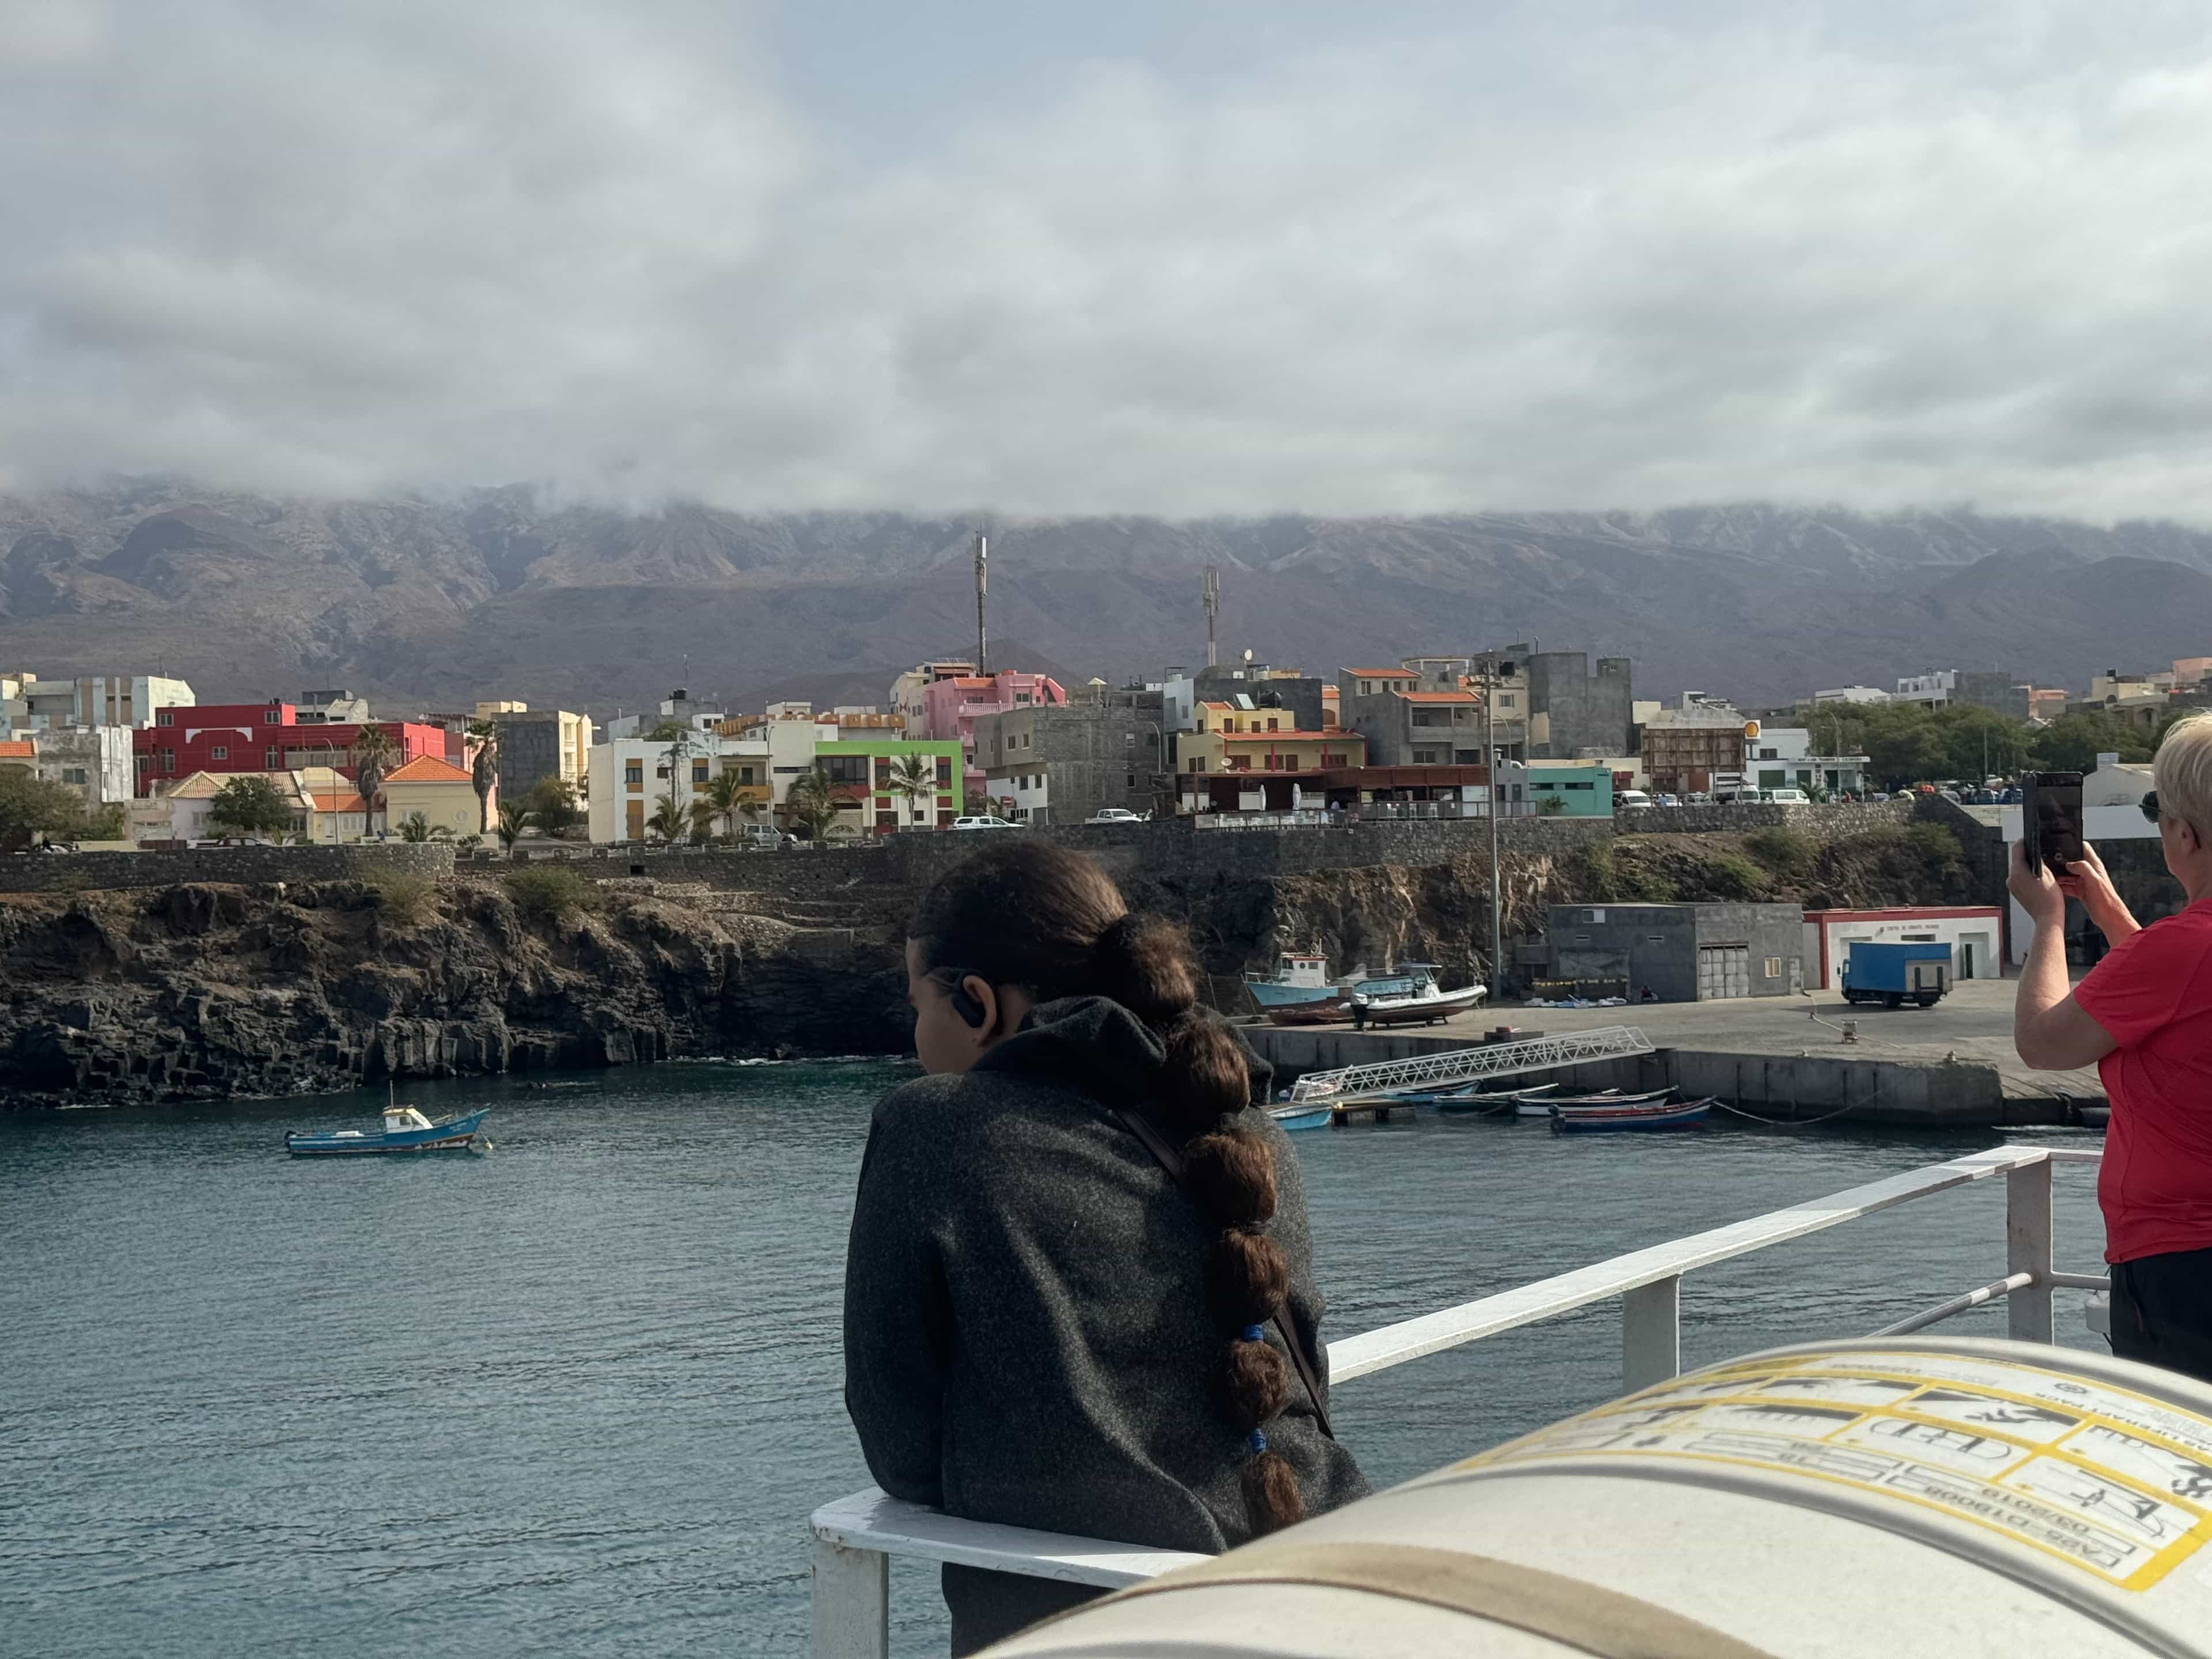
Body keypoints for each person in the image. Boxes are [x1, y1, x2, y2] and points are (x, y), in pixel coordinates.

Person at [844, 841, 1369, 1654]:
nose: (916, 1036)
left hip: (1097, 1625)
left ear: (979, 1005)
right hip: (1329, 1584)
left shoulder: (933, 1129)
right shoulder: (1250, 1132)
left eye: (920, 1008)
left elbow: (902, 1448)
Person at [2010, 711, 2212, 1383]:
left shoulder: (2180, 948)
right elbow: (2180, 1009)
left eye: (2158, 810)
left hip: (2184, 1270)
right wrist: (2109, 912)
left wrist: (2048, 922)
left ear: (2184, 834)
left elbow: (2042, 1044)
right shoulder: (2176, 957)